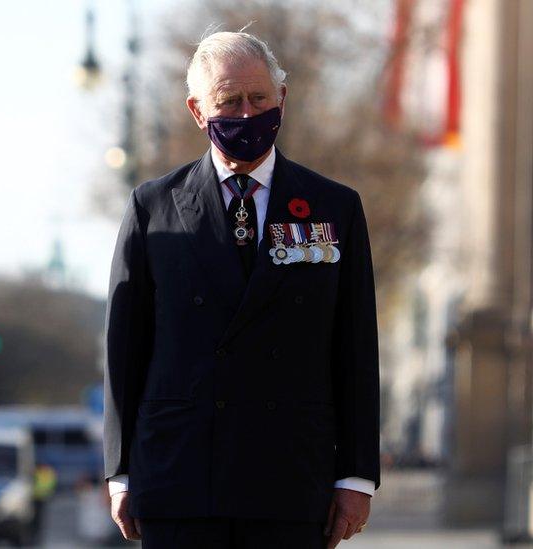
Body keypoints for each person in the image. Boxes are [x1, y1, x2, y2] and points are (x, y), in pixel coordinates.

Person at [104, 31, 380, 548]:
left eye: (259, 98)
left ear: (282, 98)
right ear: (196, 110)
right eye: (229, 101)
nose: (247, 114)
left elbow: (356, 348)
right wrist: (121, 472)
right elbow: (125, 349)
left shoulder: (334, 207)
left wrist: (356, 476)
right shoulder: (153, 207)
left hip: (292, 479)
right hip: (179, 476)